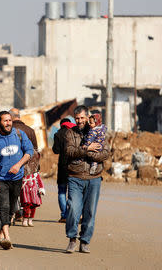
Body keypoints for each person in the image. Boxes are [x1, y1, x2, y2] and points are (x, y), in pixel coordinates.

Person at [64, 105, 111, 253]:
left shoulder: (100, 132)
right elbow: (69, 151)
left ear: (88, 117)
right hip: (75, 177)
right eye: (77, 118)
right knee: (73, 208)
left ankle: (84, 241)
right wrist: (86, 149)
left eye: (82, 118)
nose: (79, 121)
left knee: (90, 212)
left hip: (94, 178)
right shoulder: (69, 133)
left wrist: (91, 155)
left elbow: (105, 153)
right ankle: (72, 238)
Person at [0, 111, 34, 250]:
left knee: (13, 207)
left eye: (10, 120)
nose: (8, 123)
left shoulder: (19, 134)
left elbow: (29, 151)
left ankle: (0, 234)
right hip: (0, 179)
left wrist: (18, 165)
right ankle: (7, 237)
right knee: (4, 206)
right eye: (5, 121)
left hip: (17, 178)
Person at [9, 108, 39, 223]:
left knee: (13, 190)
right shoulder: (30, 130)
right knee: (26, 190)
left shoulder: (9, 130)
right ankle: (23, 214)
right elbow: (35, 150)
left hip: (12, 165)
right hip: (28, 167)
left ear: (11, 117)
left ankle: (14, 213)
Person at [52, 116, 76, 223]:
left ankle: (64, 215)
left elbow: (56, 150)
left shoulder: (58, 134)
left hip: (62, 166)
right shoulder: (74, 132)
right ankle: (75, 215)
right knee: (74, 192)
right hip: (75, 166)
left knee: (62, 191)